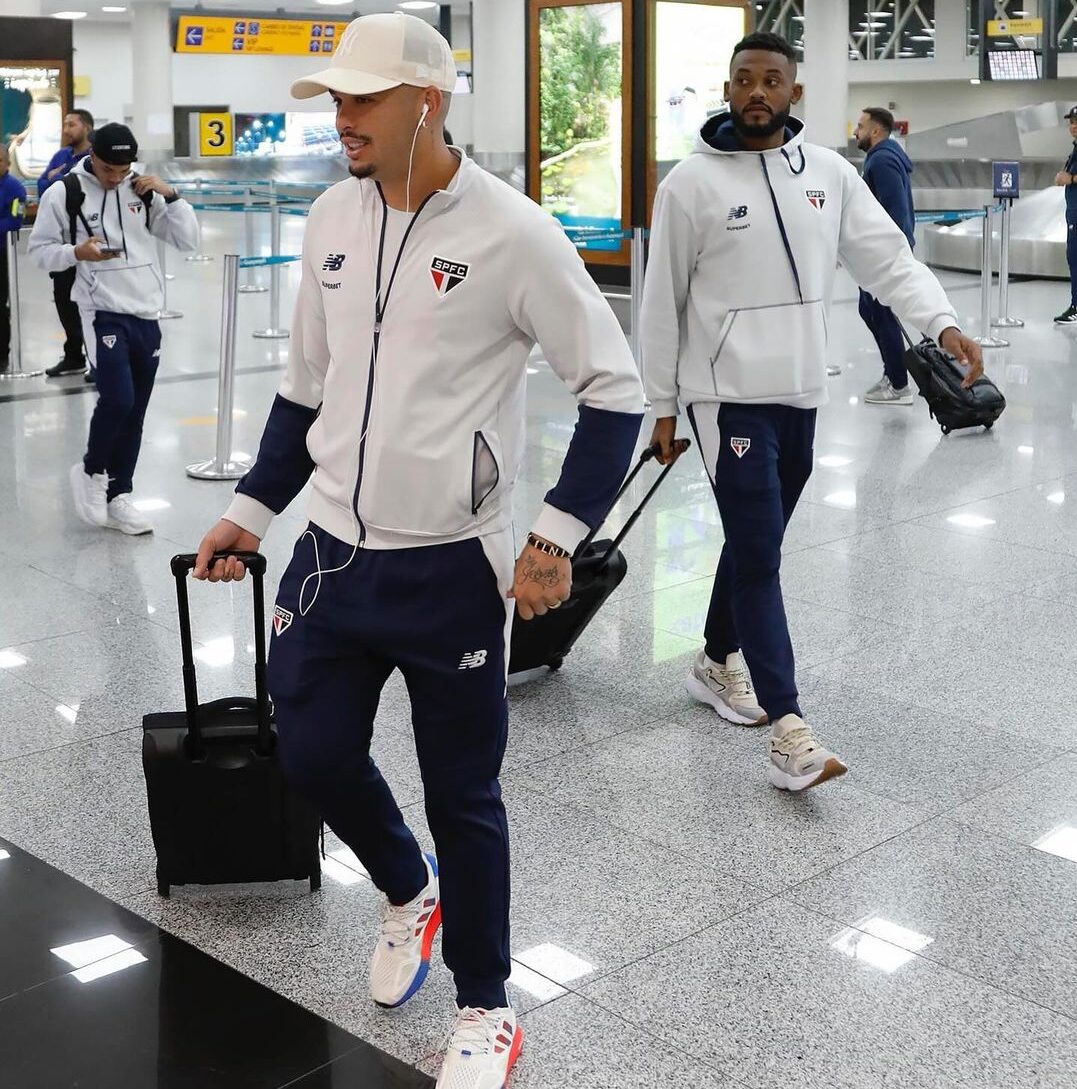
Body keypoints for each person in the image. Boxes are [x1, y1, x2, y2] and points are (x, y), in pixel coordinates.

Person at [191, 13, 644, 1089]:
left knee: (465, 794)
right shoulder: (332, 216)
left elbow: (615, 389)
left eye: (363, 100)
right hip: (331, 554)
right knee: (311, 753)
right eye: (336, 100)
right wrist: (253, 511)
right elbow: (307, 386)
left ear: (427, 103)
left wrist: (555, 536)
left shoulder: (513, 232)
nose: (340, 119)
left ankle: (486, 1006)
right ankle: (407, 889)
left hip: (452, 565)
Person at [641, 31, 983, 792]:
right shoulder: (689, 185)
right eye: (743, 80)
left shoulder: (827, 172)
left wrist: (942, 322)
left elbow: (887, 259)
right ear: (726, 91)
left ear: (793, 93)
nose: (756, 91)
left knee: (754, 535)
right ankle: (789, 729)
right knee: (761, 553)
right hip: (722, 396)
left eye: (771, 80)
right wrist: (660, 403)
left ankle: (711, 659)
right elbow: (659, 302)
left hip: (799, 389)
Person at [28, 122, 199, 535]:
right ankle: (90, 471)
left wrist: (171, 196)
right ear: (93, 156)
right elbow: (39, 252)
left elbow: (188, 241)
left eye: (124, 170)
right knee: (118, 399)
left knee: (136, 409)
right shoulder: (64, 192)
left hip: (146, 310)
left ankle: (120, 493)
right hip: (100, 309)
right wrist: (76, 252)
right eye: (108, 169)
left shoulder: (140, 190)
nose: (116, 177)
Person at [854, 106, 917, 405]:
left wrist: (889, 253)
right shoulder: (880, 158)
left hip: (883, 254)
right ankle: (892, 372)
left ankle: (900, 384)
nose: (856, 131)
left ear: (875, 131)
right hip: (875, 252)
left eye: (860, 126)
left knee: (881, 313)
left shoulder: (882, 161)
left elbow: (895, 214)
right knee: (869, 311)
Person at [38, 108, 94, 378]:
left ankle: (99, 359)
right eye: (65, 124)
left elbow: (79, 192)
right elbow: (42, 186)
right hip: (61, 245)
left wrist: (57, 180)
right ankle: (74, 355)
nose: (66, 129)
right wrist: (58, 182)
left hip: (87, 243)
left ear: (87, 127)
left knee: (92, 306)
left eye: (72, 124)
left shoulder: (94, 158)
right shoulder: (62, 156)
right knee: (64, 300)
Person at [0, 146, 28, 374]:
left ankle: (2, 354)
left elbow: (14, 221)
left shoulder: (15, 189)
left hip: (2, 254)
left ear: (7, 164)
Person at [1054, 105, 1077, 325]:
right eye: (1071, 122)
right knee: (1073, 258)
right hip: (1073, 214)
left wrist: (1070, 179)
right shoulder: (1075, 149)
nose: (1073, 127)